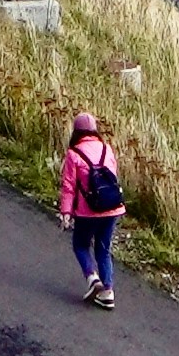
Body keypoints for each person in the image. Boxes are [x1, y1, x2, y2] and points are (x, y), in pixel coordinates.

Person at [58, 113, 128, 305]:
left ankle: (92, 278)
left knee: (80, 245)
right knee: (103, 250)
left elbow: (69, 186)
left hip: (87, 210)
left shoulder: (74, 153)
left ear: (76, 131)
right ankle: (108, 291)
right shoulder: (107, 149)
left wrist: (66, 212)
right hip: (112, 207)